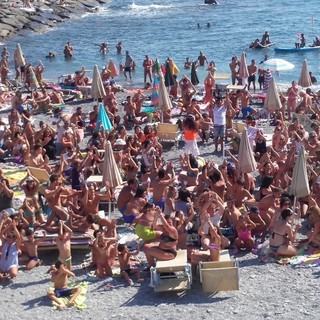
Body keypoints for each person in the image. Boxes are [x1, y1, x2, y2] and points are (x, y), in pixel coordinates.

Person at [0, 216, 22, 281]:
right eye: (8, 236)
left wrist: (15, 227)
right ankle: (3, 275)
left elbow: (19, 237)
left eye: (10, 237)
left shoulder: (15, 245)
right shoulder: (5, 243)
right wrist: (7, 226)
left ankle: (9, 272)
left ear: (13, 238)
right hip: (3, 263)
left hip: (11, 264)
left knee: (13, 274)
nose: (8, 238)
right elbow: (1, 233)